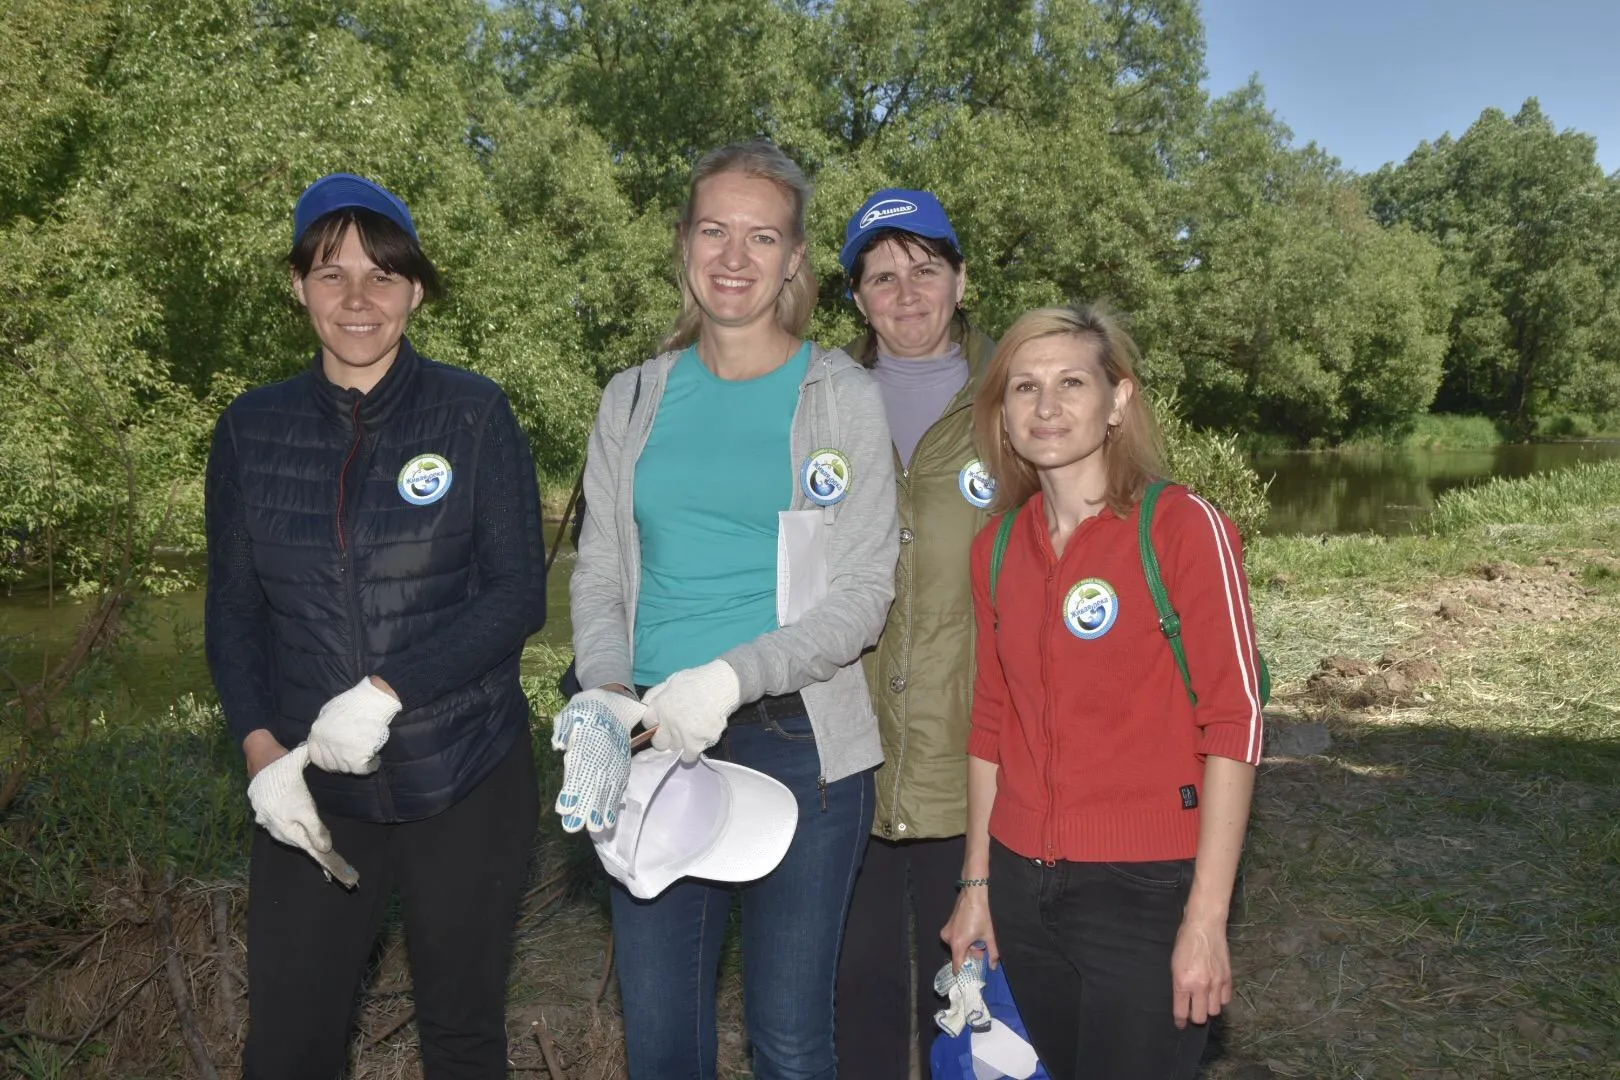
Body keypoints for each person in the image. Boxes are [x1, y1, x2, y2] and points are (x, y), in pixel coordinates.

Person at [561, 139, 899, 1080]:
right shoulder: (630, 399)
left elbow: (864, 595)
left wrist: (731, 675)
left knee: (791, 1043)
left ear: (795, 260)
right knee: (664, 1045)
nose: (735, 257)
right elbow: (598, 577)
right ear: (683, 244)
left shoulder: (843, 397)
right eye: (715, 230)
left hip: (800, 743)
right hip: (647, 745)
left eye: (763, 236)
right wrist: (605, 697)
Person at [205, 172, 547, 1078]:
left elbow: (517, 594)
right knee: (287, 1044)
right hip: (314, 789)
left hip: (463, 772)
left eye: (381, 277)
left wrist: (389, 690)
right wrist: (261, 755)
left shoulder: (474, 413)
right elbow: (234, 612)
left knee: (464, 1035)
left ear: (416, 291)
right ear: (298, 287)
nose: (357, 300)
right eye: (331, 274)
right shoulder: (249, 429)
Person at [940, 306, 1264, 1080]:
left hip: (1145, 891)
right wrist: (977, 886)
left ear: (1118, 401)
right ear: (1002, 415)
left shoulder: (1184, 527)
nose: (1046, 407)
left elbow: (1236, 723)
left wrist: (1206, 919)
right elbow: (991, 726)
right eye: (1024, 387)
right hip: (1022, 884)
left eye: (1071, 383)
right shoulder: (995, 549)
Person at [830, 188, 999, 1079]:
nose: (904, 292)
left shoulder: (1018, 400)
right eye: (881, 276)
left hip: (973, 755)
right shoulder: (815, 400)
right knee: (851, 989)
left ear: (961, 280)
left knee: (970, 998)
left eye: (924, 270)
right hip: (842, 753)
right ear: (857, 297)